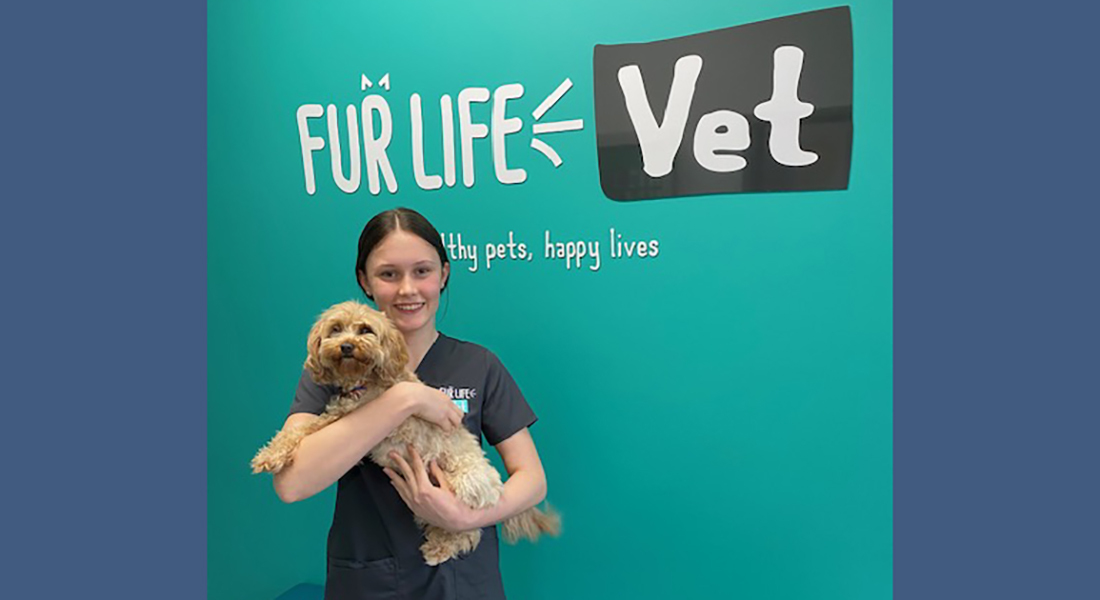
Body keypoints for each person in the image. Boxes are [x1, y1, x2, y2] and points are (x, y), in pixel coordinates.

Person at [270, 207, 549, 600]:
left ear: (444, 274)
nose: (407, 289)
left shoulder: (479, 364)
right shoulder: (334, 367)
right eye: (388, 274)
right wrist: (405, 398)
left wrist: (464, 516)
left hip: (463, 581)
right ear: (364, 280)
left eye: (422, 271)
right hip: (370, 582)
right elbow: (291, 483)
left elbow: (533, 480)